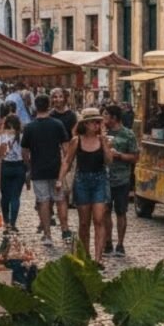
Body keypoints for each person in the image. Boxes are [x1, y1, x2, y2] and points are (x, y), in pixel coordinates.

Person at [61, 108, 113, 266]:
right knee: (84, 222)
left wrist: (104, 144)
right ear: (86, 123)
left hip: (99, 180)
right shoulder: (77, 140)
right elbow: (67, 161)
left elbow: (109, 161)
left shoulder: (103, 140)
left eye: (99, 122)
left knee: (99, 219)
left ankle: (99, 258)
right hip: (82, 180)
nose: (97, 125)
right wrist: (60, 179)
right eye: (94, 122)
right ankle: (85, 255)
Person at [21, 94, 71, 246]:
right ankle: (65, 230)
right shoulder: (57, 124)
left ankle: (48, 234)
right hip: (56, 170)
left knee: (43, 202)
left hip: (39, 170)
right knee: (60, 200)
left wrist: (30, 166)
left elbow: (24, 152)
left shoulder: (30, 127)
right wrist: (64, 167)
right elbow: (66, 149)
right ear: (49, 106)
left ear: (35, 107)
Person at [103, 105, 139, 256]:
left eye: (105, 115)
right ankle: (108, 242)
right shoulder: (102, 134)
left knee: (121, 212)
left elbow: (135, 157)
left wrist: (119, 155)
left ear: (114, 118)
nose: (103, 118)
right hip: (104, 179)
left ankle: (120, 244)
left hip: (122, 179)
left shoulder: (128, 134)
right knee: (105, 212)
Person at [0, 115, 28, 232]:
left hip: (6, 166)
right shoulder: (22, 137)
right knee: (15, 197)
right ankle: (13, 223)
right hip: (19, 167)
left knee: (5, 196)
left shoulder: (1, 137)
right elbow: (25, 154)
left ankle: (6, 222)